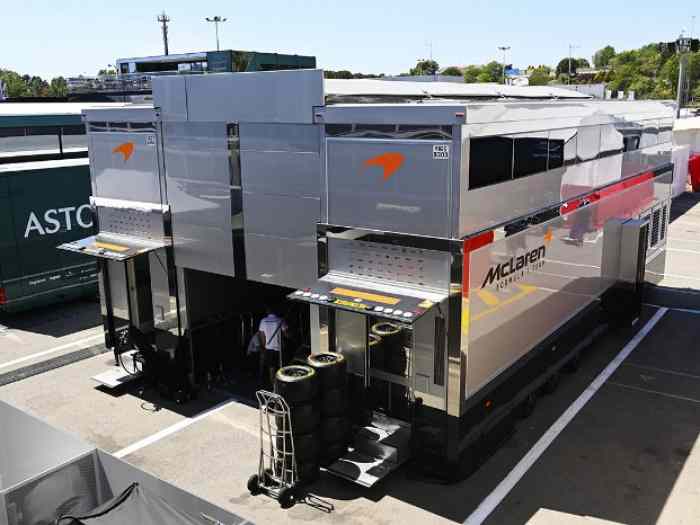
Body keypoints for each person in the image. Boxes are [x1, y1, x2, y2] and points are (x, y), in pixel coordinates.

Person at [256, 306, 287, 388]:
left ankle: (273, 386)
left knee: (271, 368)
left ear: (267, 311)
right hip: (279, 348)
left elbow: (261, 335)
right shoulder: (280, 320)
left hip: (269, 348)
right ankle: (282, 385)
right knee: (281, 367)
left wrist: (264, 346)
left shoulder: (263, 321)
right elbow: (286, 333)